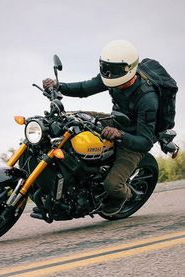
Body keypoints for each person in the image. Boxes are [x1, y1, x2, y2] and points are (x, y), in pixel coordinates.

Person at [43, 40, 159, 216]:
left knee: (113, 185)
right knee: (66, 120)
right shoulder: (112, 75)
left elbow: (145, 141)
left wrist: (120, 135)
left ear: (127, 70)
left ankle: (125, 196)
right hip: (114, 121)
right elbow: (84, 88)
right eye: (106, 68)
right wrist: (59, 86)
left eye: (112, 71)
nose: (108, 75)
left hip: (133, 138)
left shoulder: (147, 99)